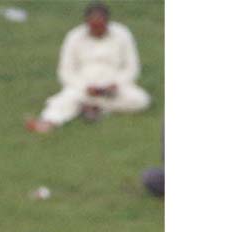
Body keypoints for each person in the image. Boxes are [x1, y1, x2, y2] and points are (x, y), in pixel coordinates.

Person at [26, 1, 150, 133]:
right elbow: (66, 71)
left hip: (113, 84)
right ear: (86, 23)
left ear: (107, 22)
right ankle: (48, 122)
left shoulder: (122, 34)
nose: (97, 30)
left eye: (100, 27)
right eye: (93, 27)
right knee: (65, 99)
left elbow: (131, 67)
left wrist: (116, 84)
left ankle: (92, 107)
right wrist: (85, 87)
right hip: (85, 84)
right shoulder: (74, 37)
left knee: (140, 100)